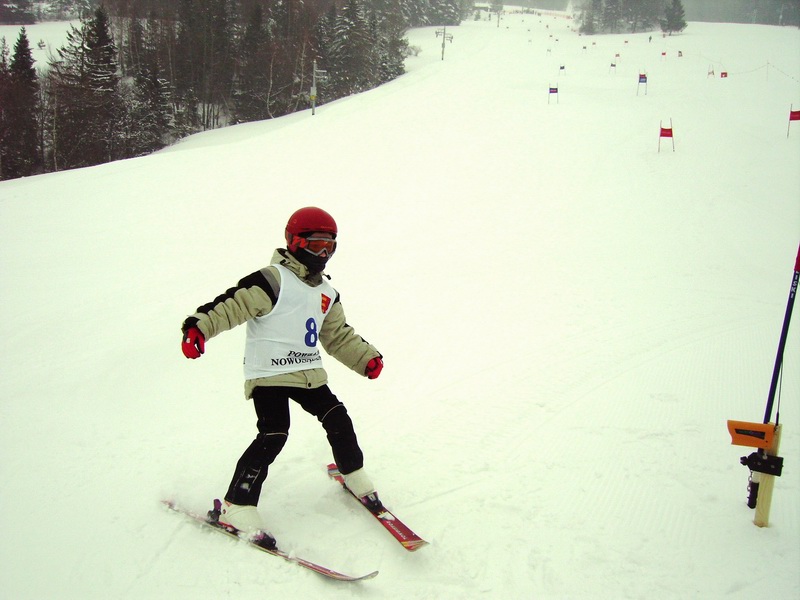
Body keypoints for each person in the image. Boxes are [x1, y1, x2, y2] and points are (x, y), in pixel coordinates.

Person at [180, 206, 384, 549]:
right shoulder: (272, 280)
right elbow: (232, 305)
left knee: (337, 416)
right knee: (274, 433)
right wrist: (198, 328)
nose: (323, 253)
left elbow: (337, 336)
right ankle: (237, 505)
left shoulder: (327, 293)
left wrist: (366, 359)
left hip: (307, 370)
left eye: (330, 246)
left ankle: (352, 473)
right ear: (295, 241)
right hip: (270, 372)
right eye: (317, 244)